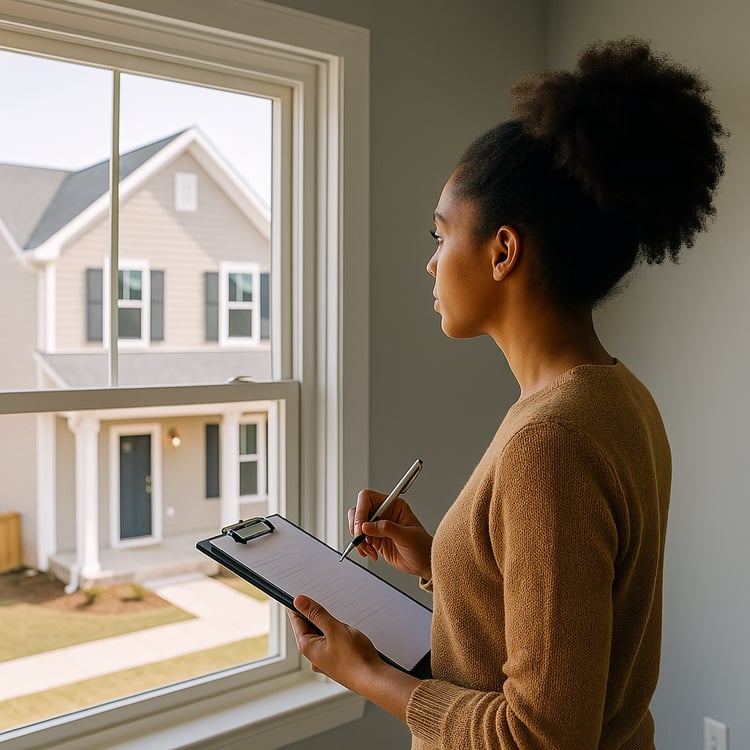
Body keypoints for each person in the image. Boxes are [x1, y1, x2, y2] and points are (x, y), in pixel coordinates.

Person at [287, 38, 726, 749]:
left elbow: (542, 735)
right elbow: (565, 614)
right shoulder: (615, 397)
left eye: (440, 234)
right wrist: (441, 561)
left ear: (502, 250)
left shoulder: (550, 441)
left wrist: (366, 674)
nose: (431, 264)